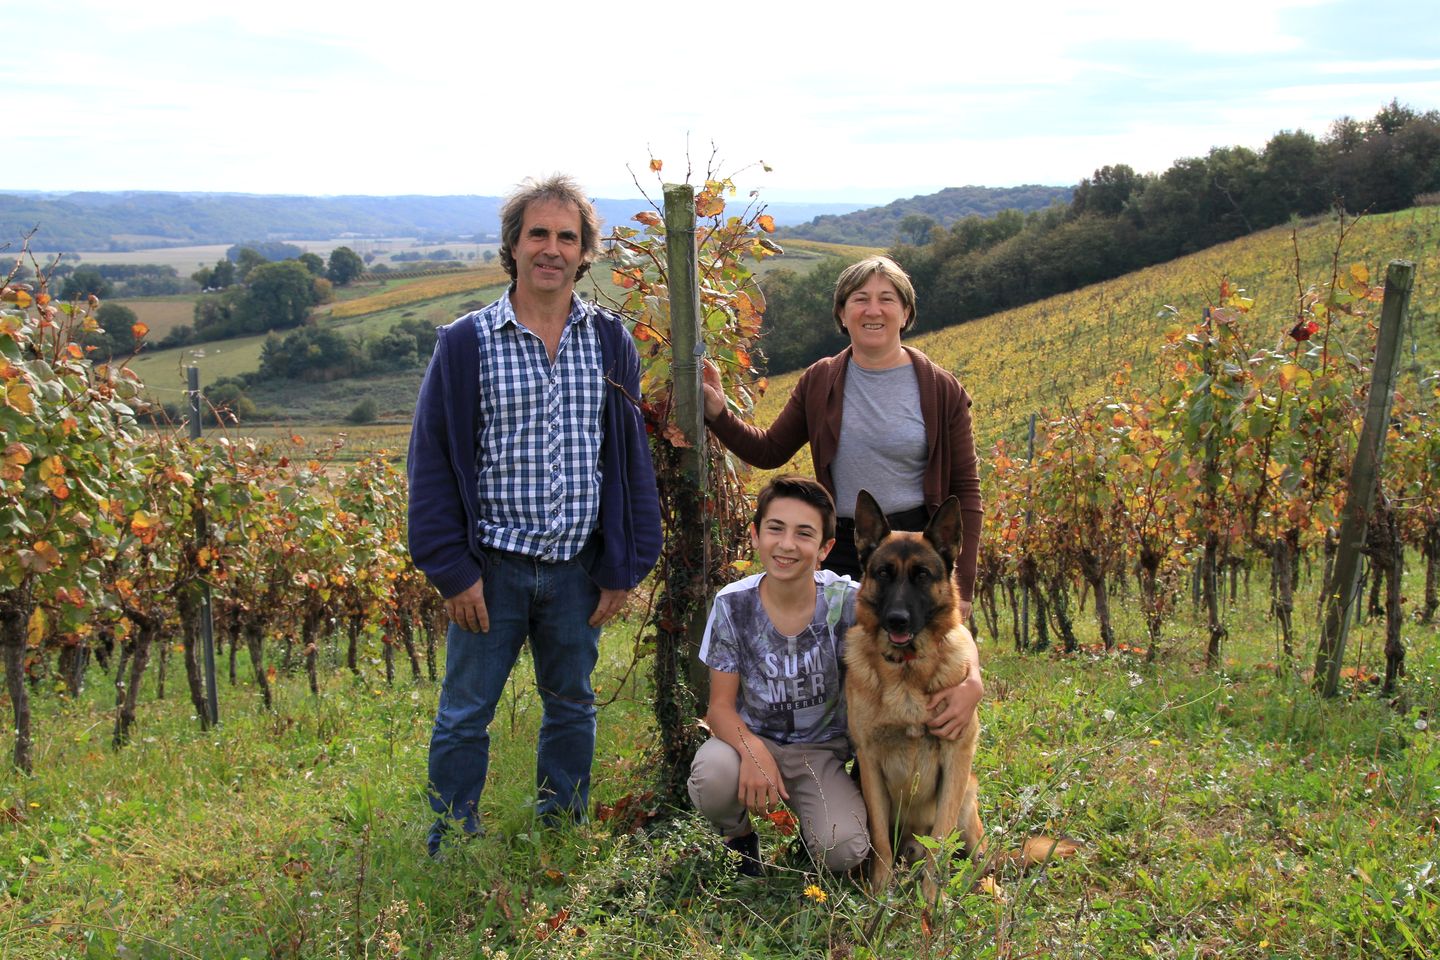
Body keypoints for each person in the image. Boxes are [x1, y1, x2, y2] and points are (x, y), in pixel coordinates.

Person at [407, 174, 662, 855]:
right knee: (465, 714)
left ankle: (561, 832)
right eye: (538, 234)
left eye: (567, 237)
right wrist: (452, 571)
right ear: (514, 247)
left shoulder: (610, 343)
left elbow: (629, 460)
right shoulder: (466, 343)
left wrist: (624, 566)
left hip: (579, 570)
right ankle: (452, 840)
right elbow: (430, 461)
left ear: (585, 254)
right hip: (491, 570)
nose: (552, 248)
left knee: (572, 707)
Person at [702, 255, 983, 734]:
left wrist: (966, 586)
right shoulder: (820, 380)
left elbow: (966, 491)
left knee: (932, 682)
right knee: (850, 682)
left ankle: (926, 796)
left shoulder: (939, 389)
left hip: (917, 553)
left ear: (906, 313)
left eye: (886, 299)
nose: (873, 310)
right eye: (860, 299)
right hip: (848, 548)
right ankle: (849, 791)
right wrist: (718, 414)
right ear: (842, 313)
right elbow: (769, 450)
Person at [687, 476, 868, 876]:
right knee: (712, 777)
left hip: (822, 752)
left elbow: (931, 624)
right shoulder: (733, 605)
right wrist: (753, 750)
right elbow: (719, 708)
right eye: (775, 528)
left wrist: (970, 682)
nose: (787, 545)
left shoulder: (847, 601)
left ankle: (813, 833)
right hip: (751, 739)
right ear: (755, 535)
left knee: (844, 850)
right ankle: (739, 840)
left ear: (825, 549)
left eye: (804, 534)